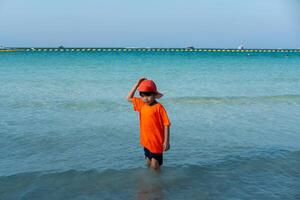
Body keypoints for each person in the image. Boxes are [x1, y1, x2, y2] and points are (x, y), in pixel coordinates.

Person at [126, 77, 171, 171]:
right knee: (148, 164)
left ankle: (158, 185)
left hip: (156, 143)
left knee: (155, 167)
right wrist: (137, 84)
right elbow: (128, 98)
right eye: (142, 95)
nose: (145, 98)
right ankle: (149, 183)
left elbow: (166, 124)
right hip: (146, 141)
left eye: (148, 95)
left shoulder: (159, 107)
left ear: (154, 94)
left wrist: (166, 141)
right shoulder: (141, 104)